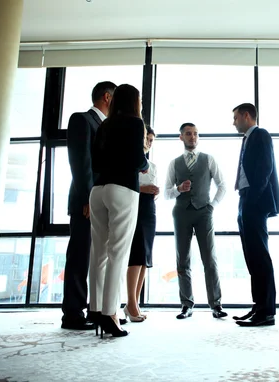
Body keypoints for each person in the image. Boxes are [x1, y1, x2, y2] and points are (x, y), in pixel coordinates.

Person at [87, 84, 149, 338]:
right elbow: (137, 161)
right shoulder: (135, 124)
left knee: (98, 253)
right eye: (140, 99)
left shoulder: (104, 125)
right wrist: (144, 158)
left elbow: (96, 160)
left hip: (98, 190)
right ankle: (110, 314)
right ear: (134, 101)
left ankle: (95, 309)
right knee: (118, 255)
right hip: (123, 189)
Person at [61, 81, 116, 330]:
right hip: (86, 201)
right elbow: (80, 162)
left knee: (96, 258)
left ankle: (93, 310)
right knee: (80, 255)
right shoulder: (82, 120)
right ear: (107, 97)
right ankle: (72, 314)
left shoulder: (106, 126)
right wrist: (86, 198)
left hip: (101, 202)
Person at [164, 123, 228, 319]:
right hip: (181, 213)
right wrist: (178, 190)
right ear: (181, 137)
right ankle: (186, 304)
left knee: (209, 258)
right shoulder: (174, 163)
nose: (192, 137)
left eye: (195, 134)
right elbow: (166, 193)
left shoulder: (209, 160)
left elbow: (222, 185)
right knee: (182, 259)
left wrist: (212, 206)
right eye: (188, 134)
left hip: (204, 212)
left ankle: (216, 304)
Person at [231, 103, 279, 327]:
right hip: (245, 199)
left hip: (254, 201)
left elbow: (264, 169)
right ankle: (258, 306)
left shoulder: (261, 135)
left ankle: (267, 312)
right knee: (252, 257)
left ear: (246, 115)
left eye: (235, 118)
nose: (233, 122)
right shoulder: (248, 138)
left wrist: (251, 201)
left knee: (260, 257)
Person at [124, 126, 159, 322]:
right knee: (136, 255)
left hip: (149, 210)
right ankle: (130, 303)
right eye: (147, 139)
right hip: (133, 207)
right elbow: (125, 185)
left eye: (152, 140)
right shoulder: (130, 162)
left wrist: (153, 191)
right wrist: (144, 188)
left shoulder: (152, 166)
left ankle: (134, 303)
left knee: (145, 257)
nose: (149, 143)